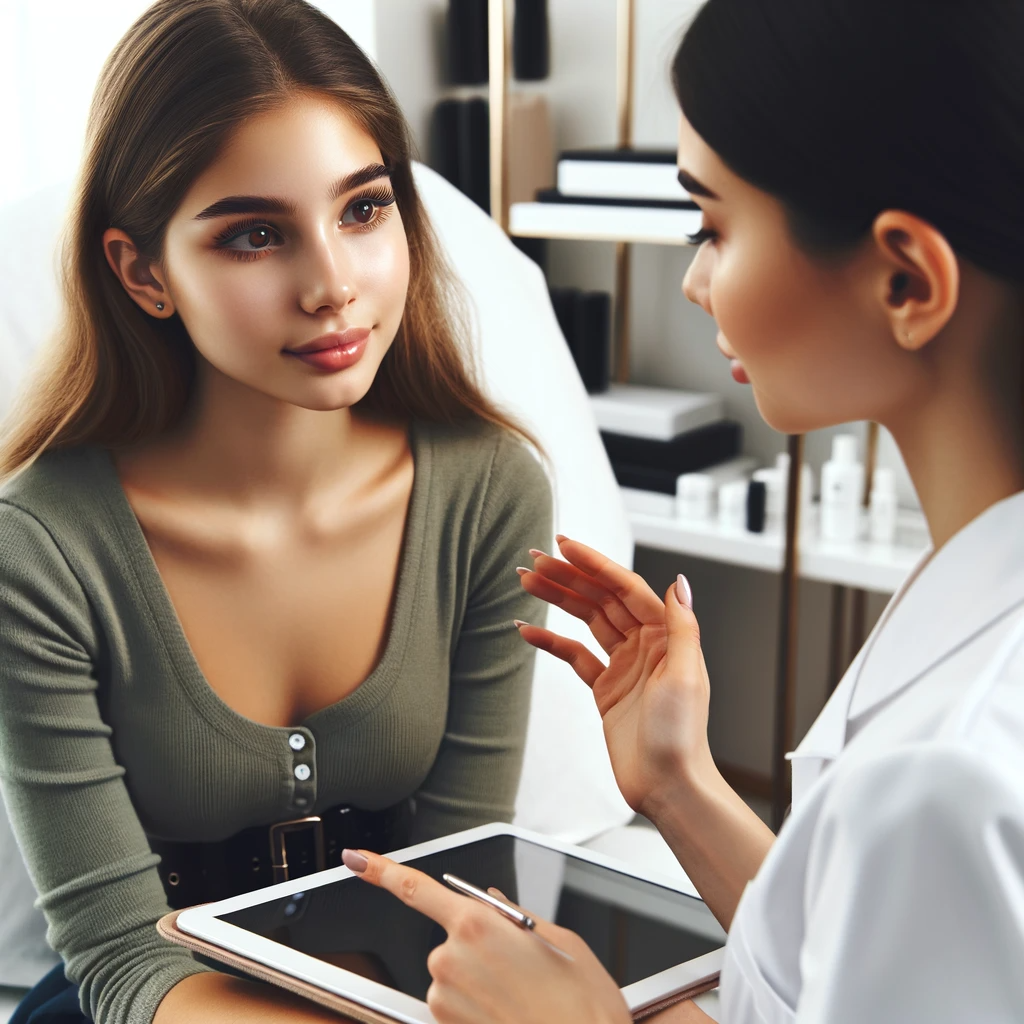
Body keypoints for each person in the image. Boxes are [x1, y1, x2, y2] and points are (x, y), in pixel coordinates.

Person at [345, 0, 1024, 1020]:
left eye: (712, 225)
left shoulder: (953, 774)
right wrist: (678, 784)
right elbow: (852, 956)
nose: (697, 283)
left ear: (904, 279)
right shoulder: (971, 592)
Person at [0, 1, 551, 1022]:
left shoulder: (489, 492)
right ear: (143, 273)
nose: (333, 285)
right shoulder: (37, 550)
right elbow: (118, 955)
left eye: (362, 209)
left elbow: (468, 880)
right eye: (256, 235)